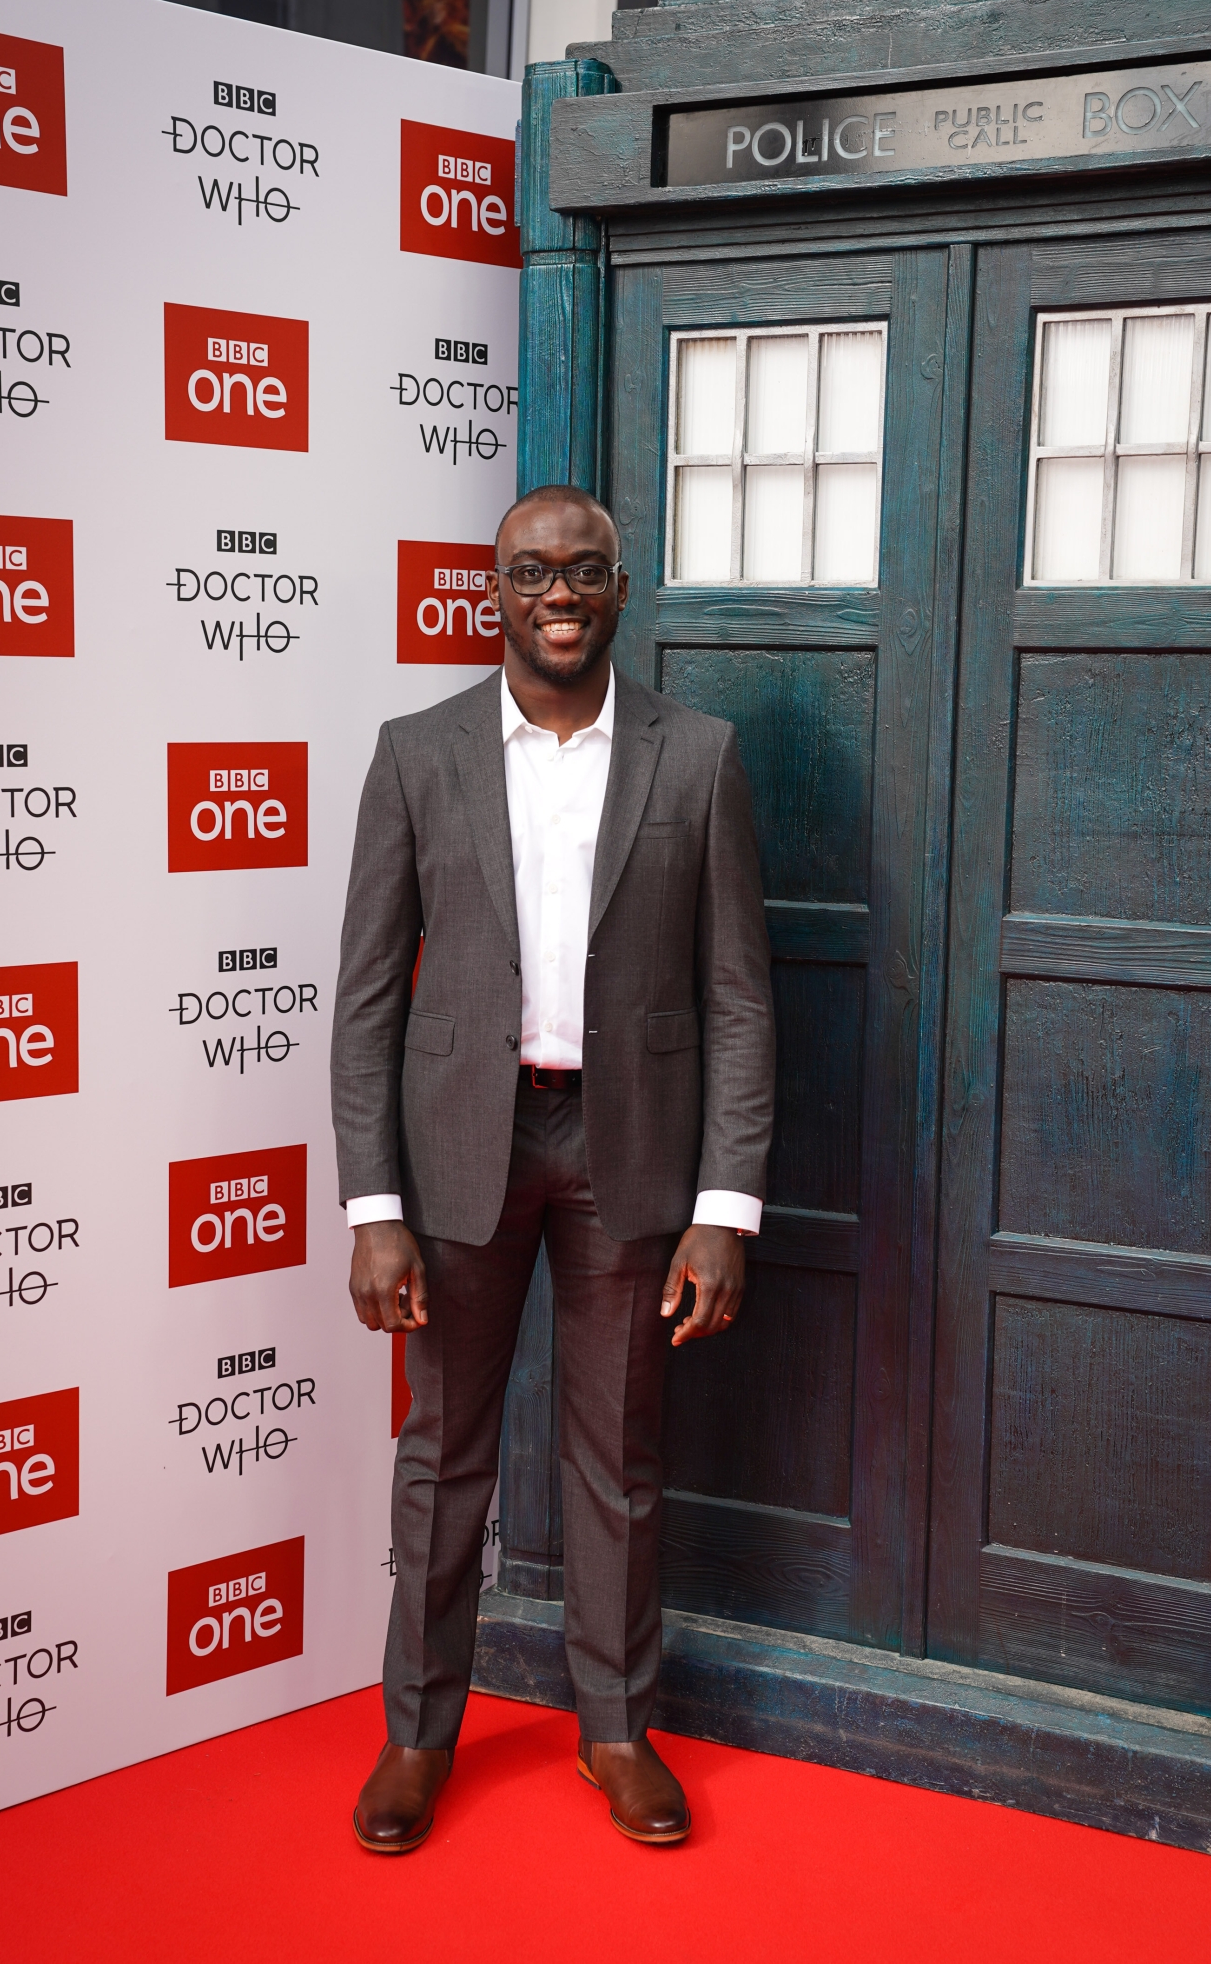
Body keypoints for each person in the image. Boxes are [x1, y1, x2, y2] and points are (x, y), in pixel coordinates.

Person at [331, 484, 775, 1852]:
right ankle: (418, 1735)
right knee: (442, 1455)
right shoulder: (417, 753)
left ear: (621, 590)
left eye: (584, 571)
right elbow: (366, 998)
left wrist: (724, 1209)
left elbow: (739, 998)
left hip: (628, 1154)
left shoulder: (697, 757)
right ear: (496, 594)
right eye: (531, 572)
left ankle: (615, 1730)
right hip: (459, 1152)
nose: (559, 594)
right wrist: (374, 1207)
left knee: (617, 1454)